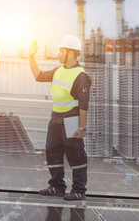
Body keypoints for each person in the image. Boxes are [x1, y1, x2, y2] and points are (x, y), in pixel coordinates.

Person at [28, 35, 91, 201]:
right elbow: (39, 76)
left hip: (71, 118)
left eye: (61, 50)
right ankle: (57, 186)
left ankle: (79, 190)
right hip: (56, 117)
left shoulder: (81, 75)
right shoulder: (58, 70)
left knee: (75, 154)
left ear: (71, 53)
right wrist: (31, 57)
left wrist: (82, 128)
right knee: (52, 151)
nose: (58, 53)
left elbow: (84, 105)